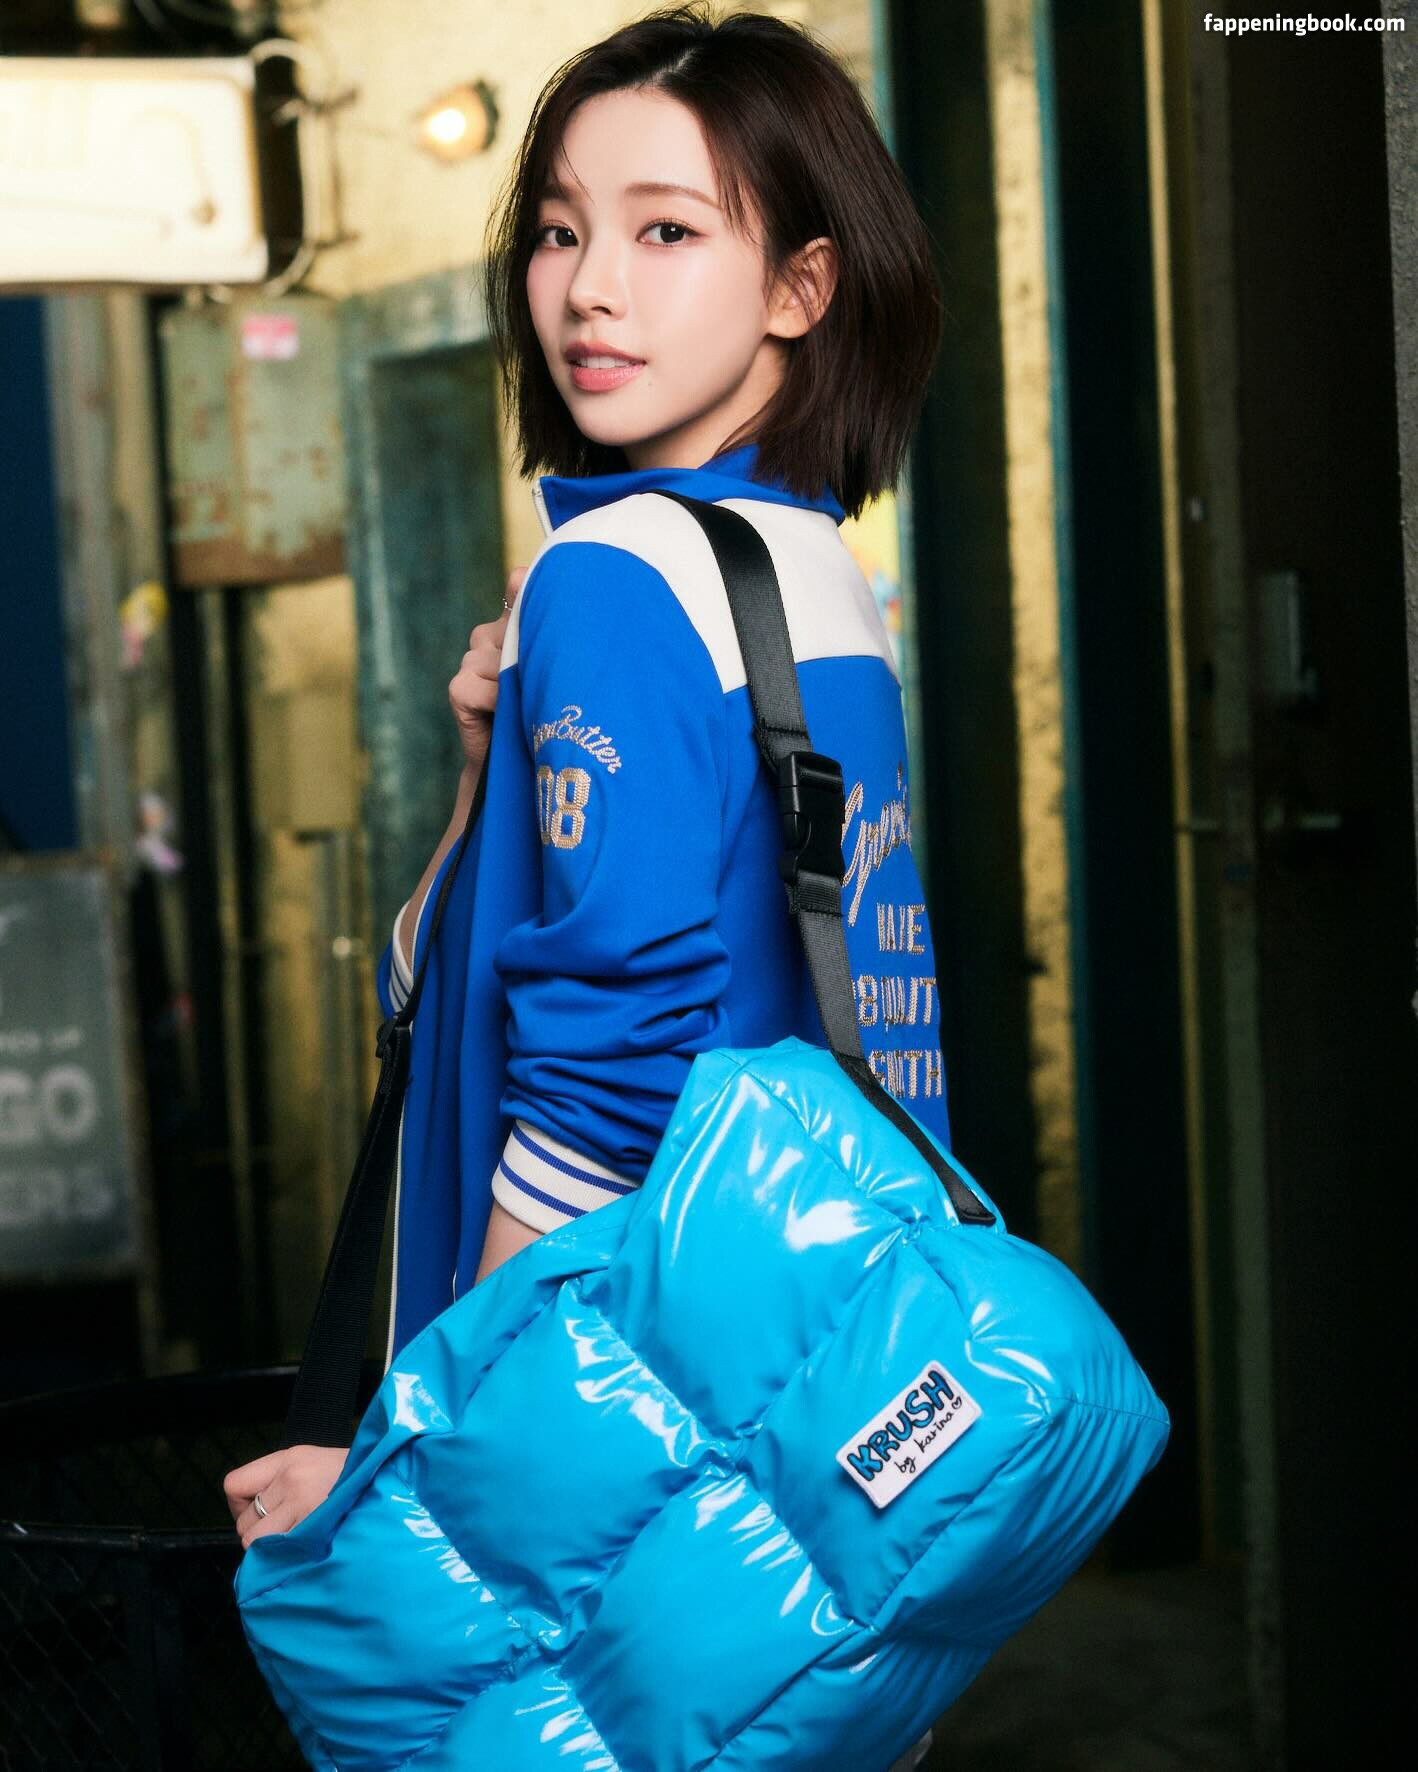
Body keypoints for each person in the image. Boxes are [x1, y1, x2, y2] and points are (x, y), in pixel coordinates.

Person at [226, 9, 946, 1766]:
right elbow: (514, 974)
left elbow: (602, 1073)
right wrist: (491, 776)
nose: (587, 290)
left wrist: (428, 1457)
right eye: (558, 230)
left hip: (607, 1429)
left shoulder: (613, 573)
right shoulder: (811, 571)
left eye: (665, 228)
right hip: (796, 1397)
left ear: (802, 287)